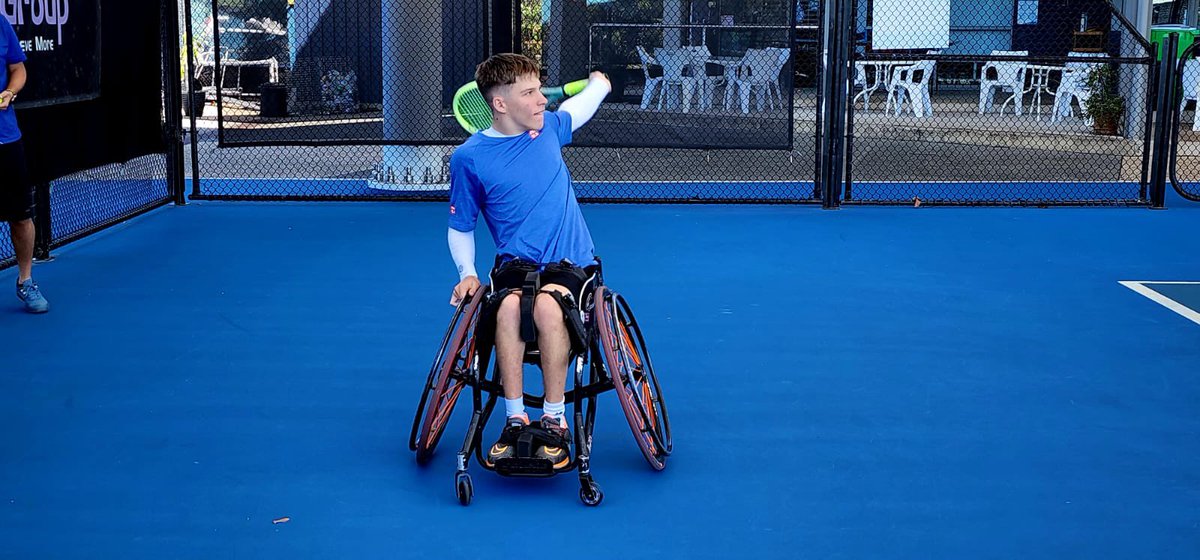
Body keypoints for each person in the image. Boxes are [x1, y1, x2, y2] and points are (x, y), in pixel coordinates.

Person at [446, 53, 609, 469]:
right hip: (514, 267)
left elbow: (579, 106)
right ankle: (515, 418)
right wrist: (466, 274)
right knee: (507, 308)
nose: (541, 100)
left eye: (540, 90)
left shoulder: (550, 129)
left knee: (548, 306)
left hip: (572, 265)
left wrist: (600, 84)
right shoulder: (469, 158)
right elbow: (461, 226)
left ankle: (554, 421)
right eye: (529, 93)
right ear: (500, 104)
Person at [0, 16, 47, 313]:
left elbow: (18, 69)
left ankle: (26, 281)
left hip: (6, 138)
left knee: (20, 215)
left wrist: (9, 92)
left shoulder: (1, 24)